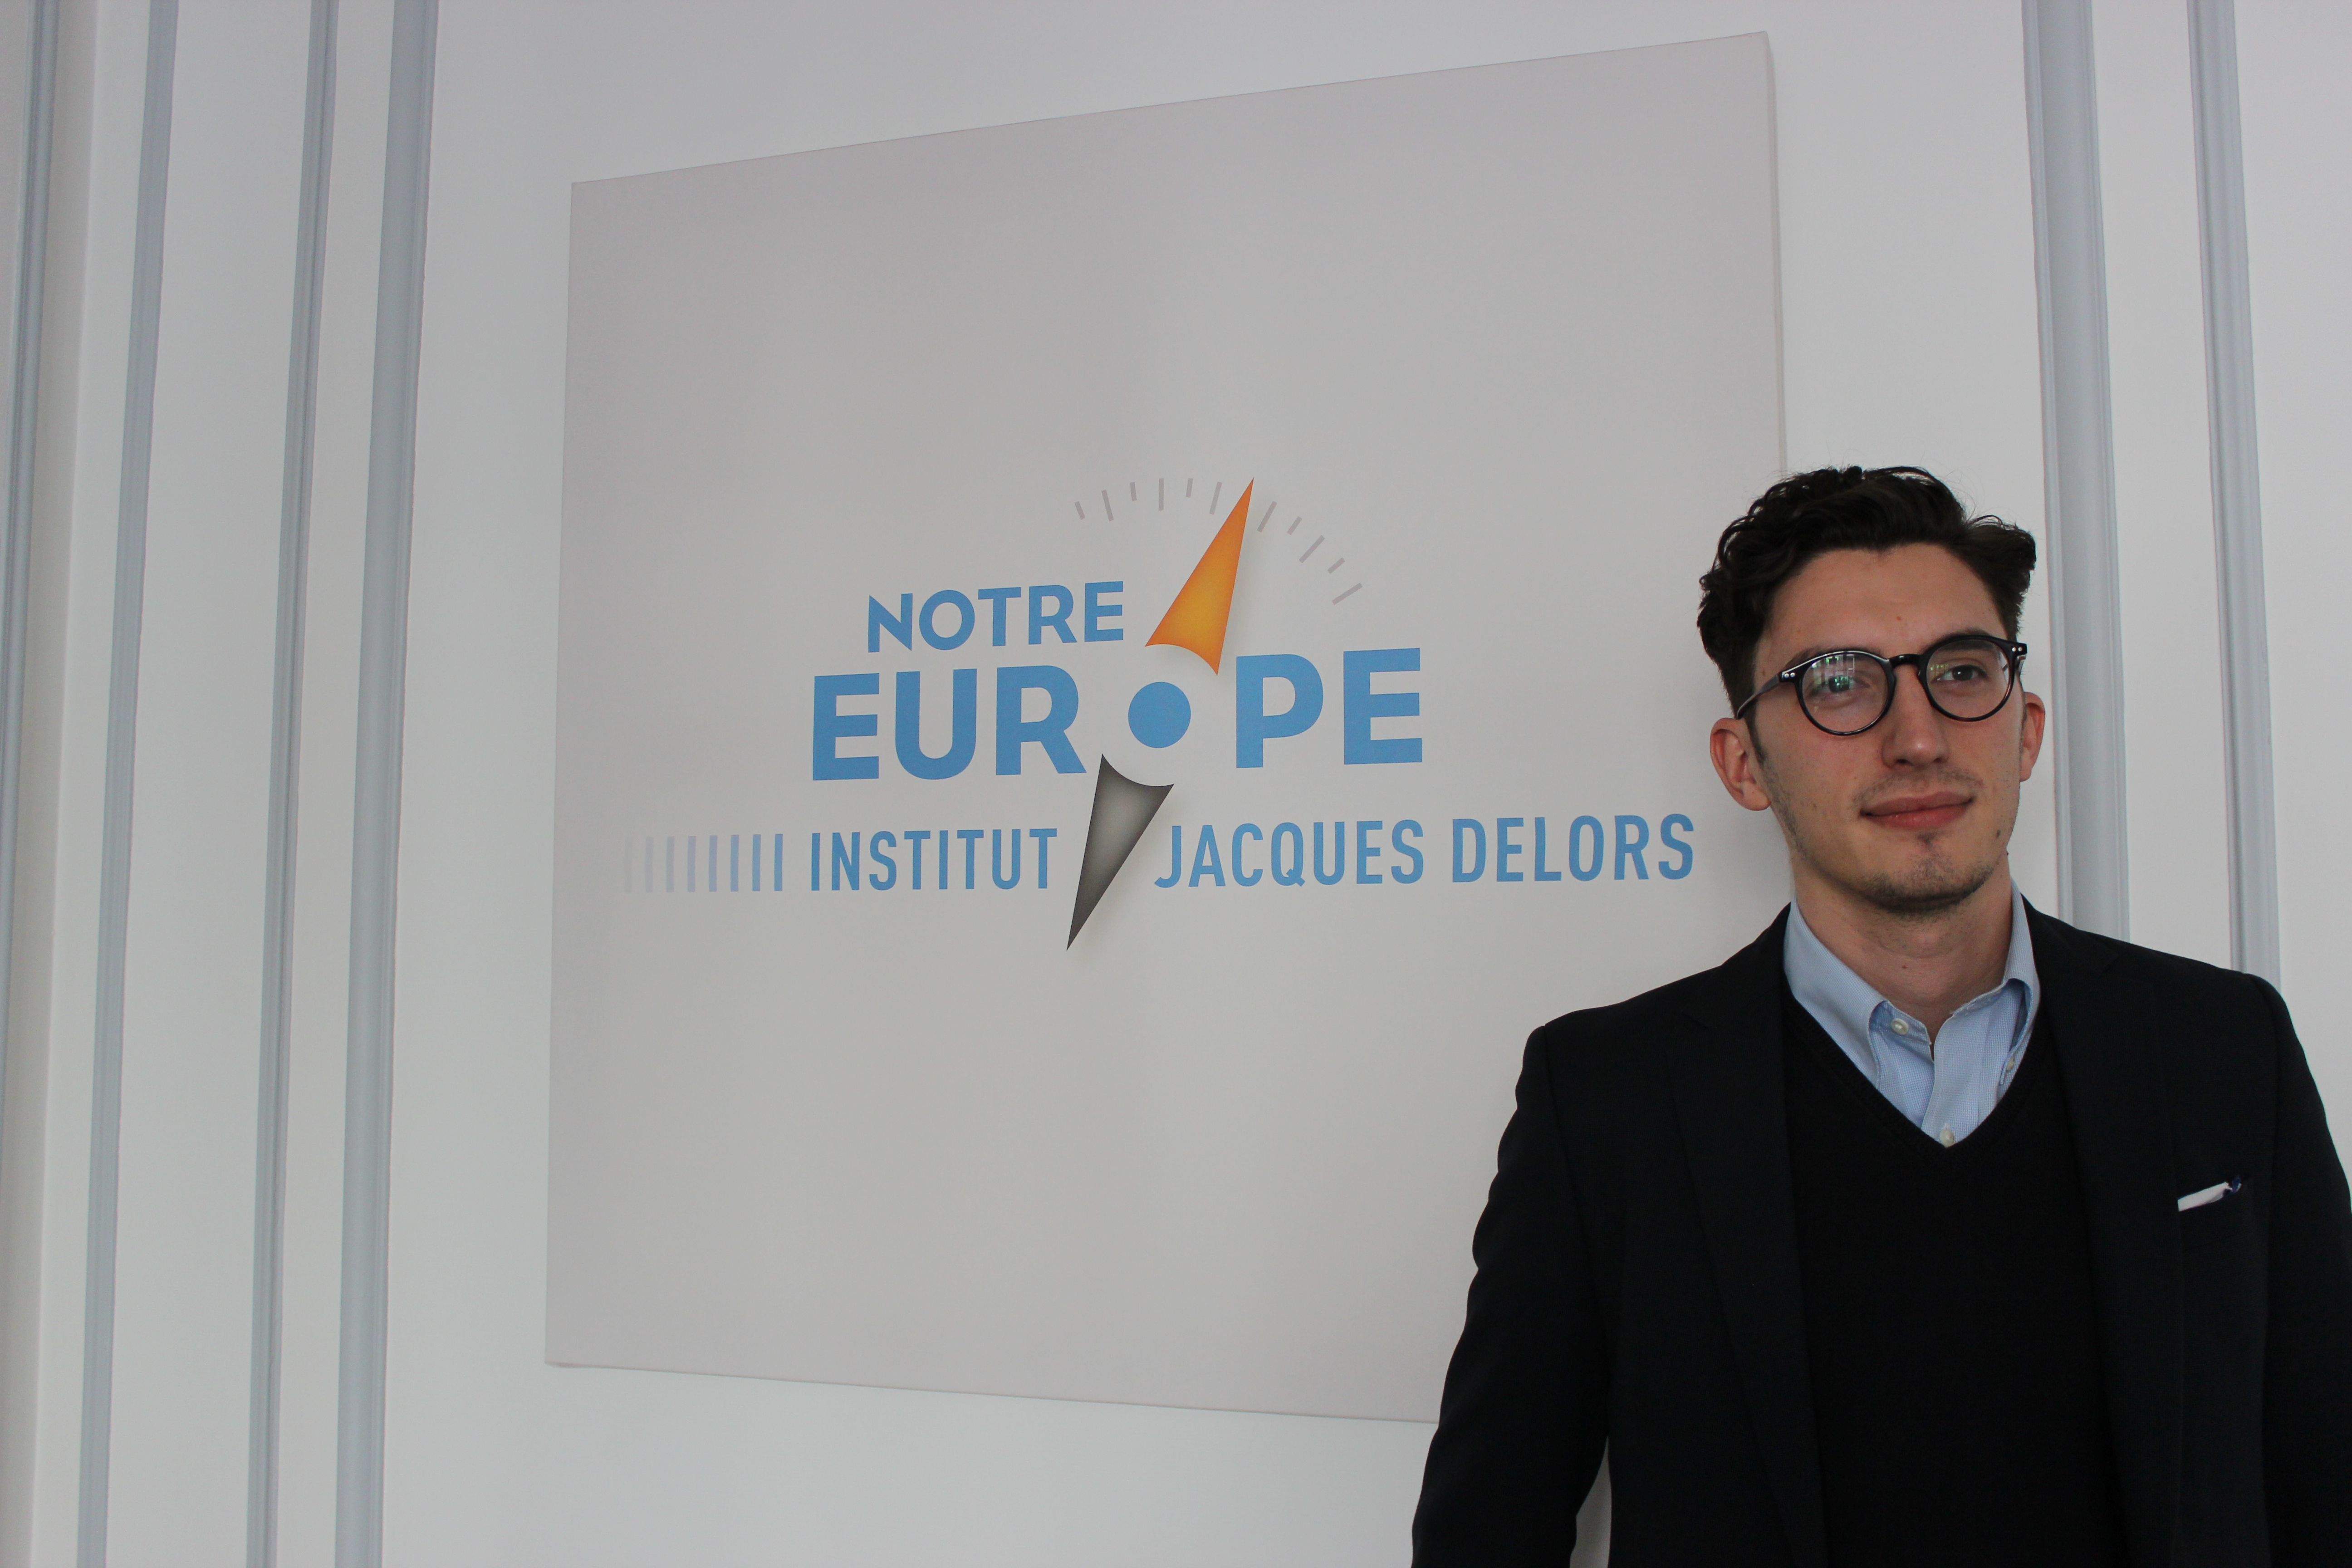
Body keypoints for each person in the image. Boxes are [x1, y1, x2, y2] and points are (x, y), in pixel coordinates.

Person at [1410, 466, 2352, 1567]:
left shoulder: (2223, 1047)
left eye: (1962, 671)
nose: (1919, 737)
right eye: (1839, 683)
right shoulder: (1608, 1103)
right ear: (1744, 764)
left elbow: (2326, 1475)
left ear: (2026, 730)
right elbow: (1489, 1528)